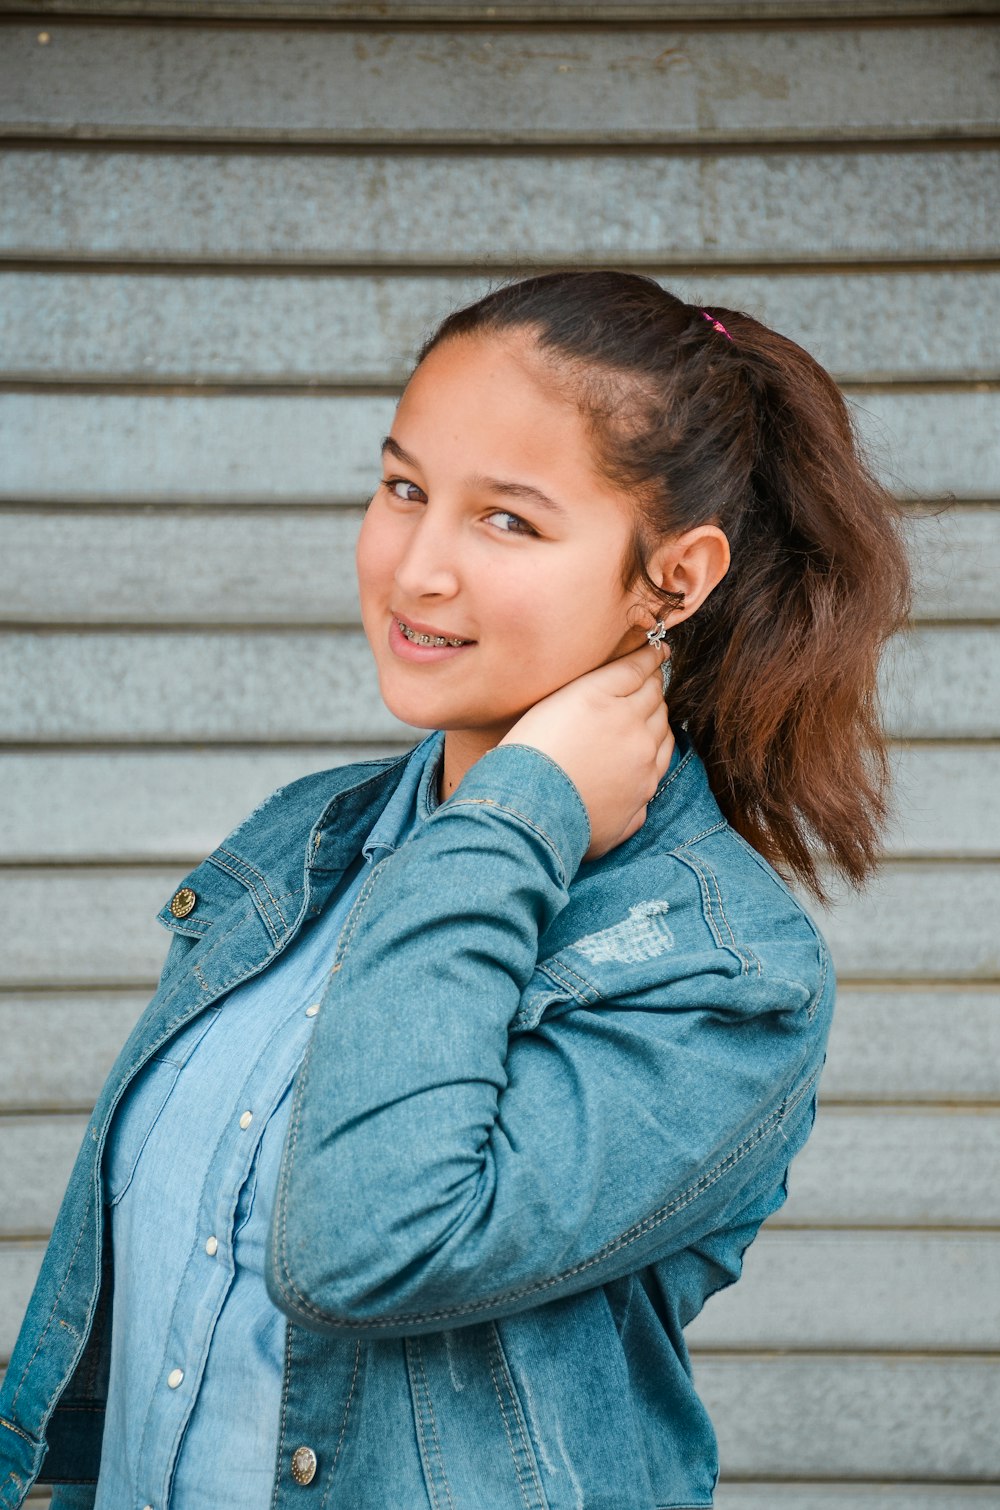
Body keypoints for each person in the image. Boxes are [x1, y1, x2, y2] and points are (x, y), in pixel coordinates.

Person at [1, 269, 912, 1509]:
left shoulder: (724, 974)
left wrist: (513, 815)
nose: (416, 567)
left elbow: (368, 1248)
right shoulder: (304, 839)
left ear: (676, 577)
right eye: (404, 488)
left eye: (508, 522)